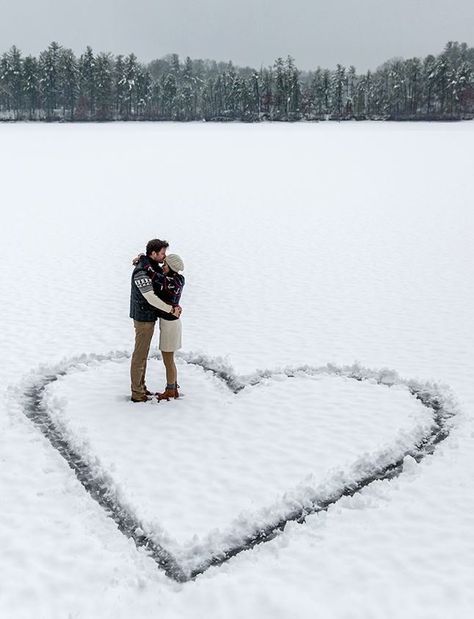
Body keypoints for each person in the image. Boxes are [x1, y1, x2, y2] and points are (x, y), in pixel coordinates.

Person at [129, 239, 181, 402]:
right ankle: (137, 393)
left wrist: (141, 257)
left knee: (143, 355)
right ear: (153, 254)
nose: (164, 257)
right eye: (162, 253)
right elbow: (150, 297)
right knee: (140, 355)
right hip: (143, 318)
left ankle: (142, 388)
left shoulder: (150, 265)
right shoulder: (142, 272)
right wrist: (171, 309)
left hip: (149, 316)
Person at [141, 253, 185, 401]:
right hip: (172, 323)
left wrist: (143, 258)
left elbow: (153, 273)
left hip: (170, 325)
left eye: (165, 264)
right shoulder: (178, 279)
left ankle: (171, 390)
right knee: (169, 359)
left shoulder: (169, 281)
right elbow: (158, 273)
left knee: (168, 360)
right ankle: (173, 387)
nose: (162, 266)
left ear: (171, 268)